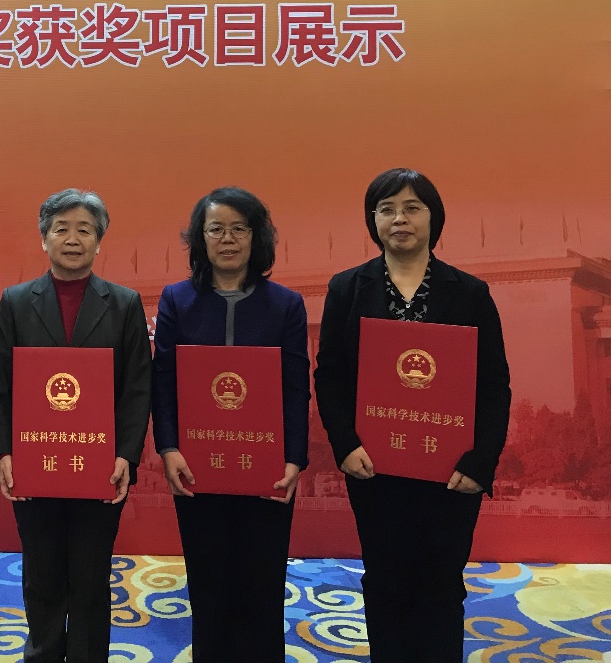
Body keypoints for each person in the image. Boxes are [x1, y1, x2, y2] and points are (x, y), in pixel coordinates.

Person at [314, 168, 512, 663]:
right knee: (385, 579)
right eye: (386, 209)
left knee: (441, 581)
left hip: (450, 472)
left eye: (411, 208)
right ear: (373, 221)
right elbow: (330, 376)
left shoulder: (469, 292)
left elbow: (494, 386)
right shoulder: (347, 289)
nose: (399, 219)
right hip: (374, 467)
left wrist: (479, 462)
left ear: (433, 218)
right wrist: (345, 445)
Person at [0, 188, 151, 663]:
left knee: (91, 578)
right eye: (61, 229)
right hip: (35, 464)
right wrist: (4, 452)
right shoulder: (16, 301)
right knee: (42, 576)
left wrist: (126, 455)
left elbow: (137, 387)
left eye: (84, 230)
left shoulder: (124, 304)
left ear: (99, 241)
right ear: (44, 239)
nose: (73, 239)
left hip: (99, 467)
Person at [150, 187, 309, 663]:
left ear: (257, 237)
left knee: (262, 583)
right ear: (200, 238)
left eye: (240, 228)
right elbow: (163, 380)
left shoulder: (285, 305)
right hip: (197, 466)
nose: (228, 239)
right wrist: (168, 448)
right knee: (209, 582)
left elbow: (296, 386)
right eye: (216, 228)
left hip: (267, 468)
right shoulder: (177, 300)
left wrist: (293, 458)